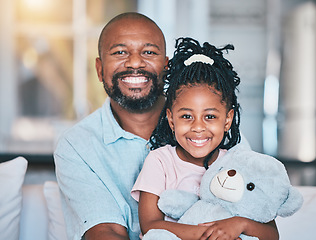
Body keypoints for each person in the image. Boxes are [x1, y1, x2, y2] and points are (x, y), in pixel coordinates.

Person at [131, 37, 279, 240]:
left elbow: (272, 234)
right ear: (171, 120)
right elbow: (150, 226)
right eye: (186, 116)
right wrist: (210, 235)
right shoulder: (160, 161)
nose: (198, 127)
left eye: (210, 116)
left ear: (227, 120)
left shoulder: (239, 163)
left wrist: (239, 224)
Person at [54, 12, 169, 240]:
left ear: (166, 67)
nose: (135, 62)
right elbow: (105, 232)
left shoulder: (207, 128)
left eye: (148, 52)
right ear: (99, 69)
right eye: (119, 52)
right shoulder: (76, 145)